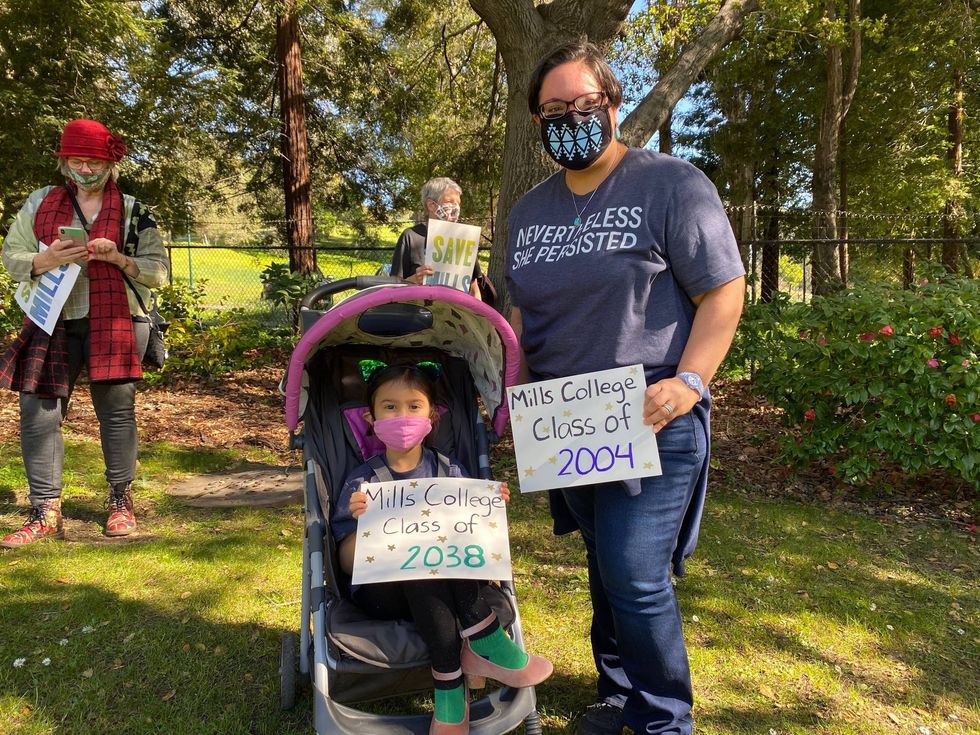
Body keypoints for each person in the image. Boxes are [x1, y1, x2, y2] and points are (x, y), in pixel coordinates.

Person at [505, 42, 746, 735]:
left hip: (652, 411)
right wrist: (511, 392)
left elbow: (723, 291)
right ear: (537, 121)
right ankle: (618, 693)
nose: (571, 118)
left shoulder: (671, 184)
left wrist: (691, 382)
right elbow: (525, 314)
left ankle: (666, 716)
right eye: (554, 110)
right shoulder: (527, 213)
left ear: (612, 104)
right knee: (603, 561)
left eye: (585, 104)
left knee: (637, 573)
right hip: (566, 421)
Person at [331, 360, 553, 735]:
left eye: (413, 406)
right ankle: (483, 643)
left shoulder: (451, 472)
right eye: (390, 407)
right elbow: (348, 563)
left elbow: (473, 545)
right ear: (371, 418)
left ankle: (452, 686)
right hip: (382, 593)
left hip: (449, 584)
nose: (402, 416)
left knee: (433, 560)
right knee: (416, 564)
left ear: (431, 415)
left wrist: (488, 506)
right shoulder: (363, 483)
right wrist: (361, 524)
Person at [0, 119, 170, 548]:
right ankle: (44, 510)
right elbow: (12, 256)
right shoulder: (40, 203)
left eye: (94, 161)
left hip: (115, 321)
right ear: (64, 162)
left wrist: (120, 260)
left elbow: (159, 272)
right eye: (77, 159)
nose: (85, 168)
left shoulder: (134, 211)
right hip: (50, 320)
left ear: (111, 164)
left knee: (116, 414)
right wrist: (46, 259)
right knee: (39, 414)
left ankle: (119, 501)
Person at [391, 177, 484, 300]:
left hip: (454, 315)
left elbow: (473, 288)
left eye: (458, 203)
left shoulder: (464, 239)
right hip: (418, 314)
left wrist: (477, 316)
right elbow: (393, 286)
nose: (456, 208)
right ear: (431, 205)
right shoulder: (411, 236)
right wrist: (414, 280)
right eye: (450, 202)